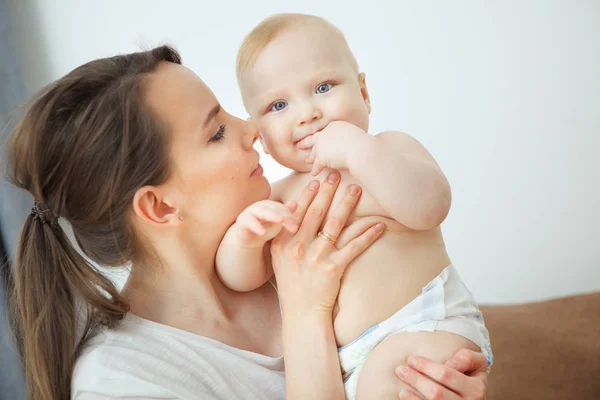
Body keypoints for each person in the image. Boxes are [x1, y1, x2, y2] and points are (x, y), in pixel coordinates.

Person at [6, 45, 488, 400]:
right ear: (160, 207)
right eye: (216, 132)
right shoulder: (124, 380)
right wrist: (306, 316)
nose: (253, 128)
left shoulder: (304, 239)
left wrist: (448, 380)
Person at [215, 13, 493, 399]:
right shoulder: (276, 197)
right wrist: (244, 239)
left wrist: (359, 150)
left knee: (397, 379)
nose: (306, 113)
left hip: (424, 322)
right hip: (346, 362)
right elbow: (240, 278)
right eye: (278, 105)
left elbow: (431, 206)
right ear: (259, 134)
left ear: (364, 92)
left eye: (323, 87)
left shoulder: (390, 149)